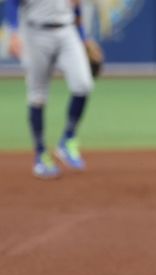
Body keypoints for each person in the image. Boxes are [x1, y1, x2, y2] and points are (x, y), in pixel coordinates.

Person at [5, 0, 94, 179]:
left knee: (83, 84)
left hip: (67, 31)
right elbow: (11, 3)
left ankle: (68, 138)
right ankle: (41, 155)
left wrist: (83, 38)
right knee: (37, 96)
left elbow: (76, 4)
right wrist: (13, 33)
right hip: (35, 33)